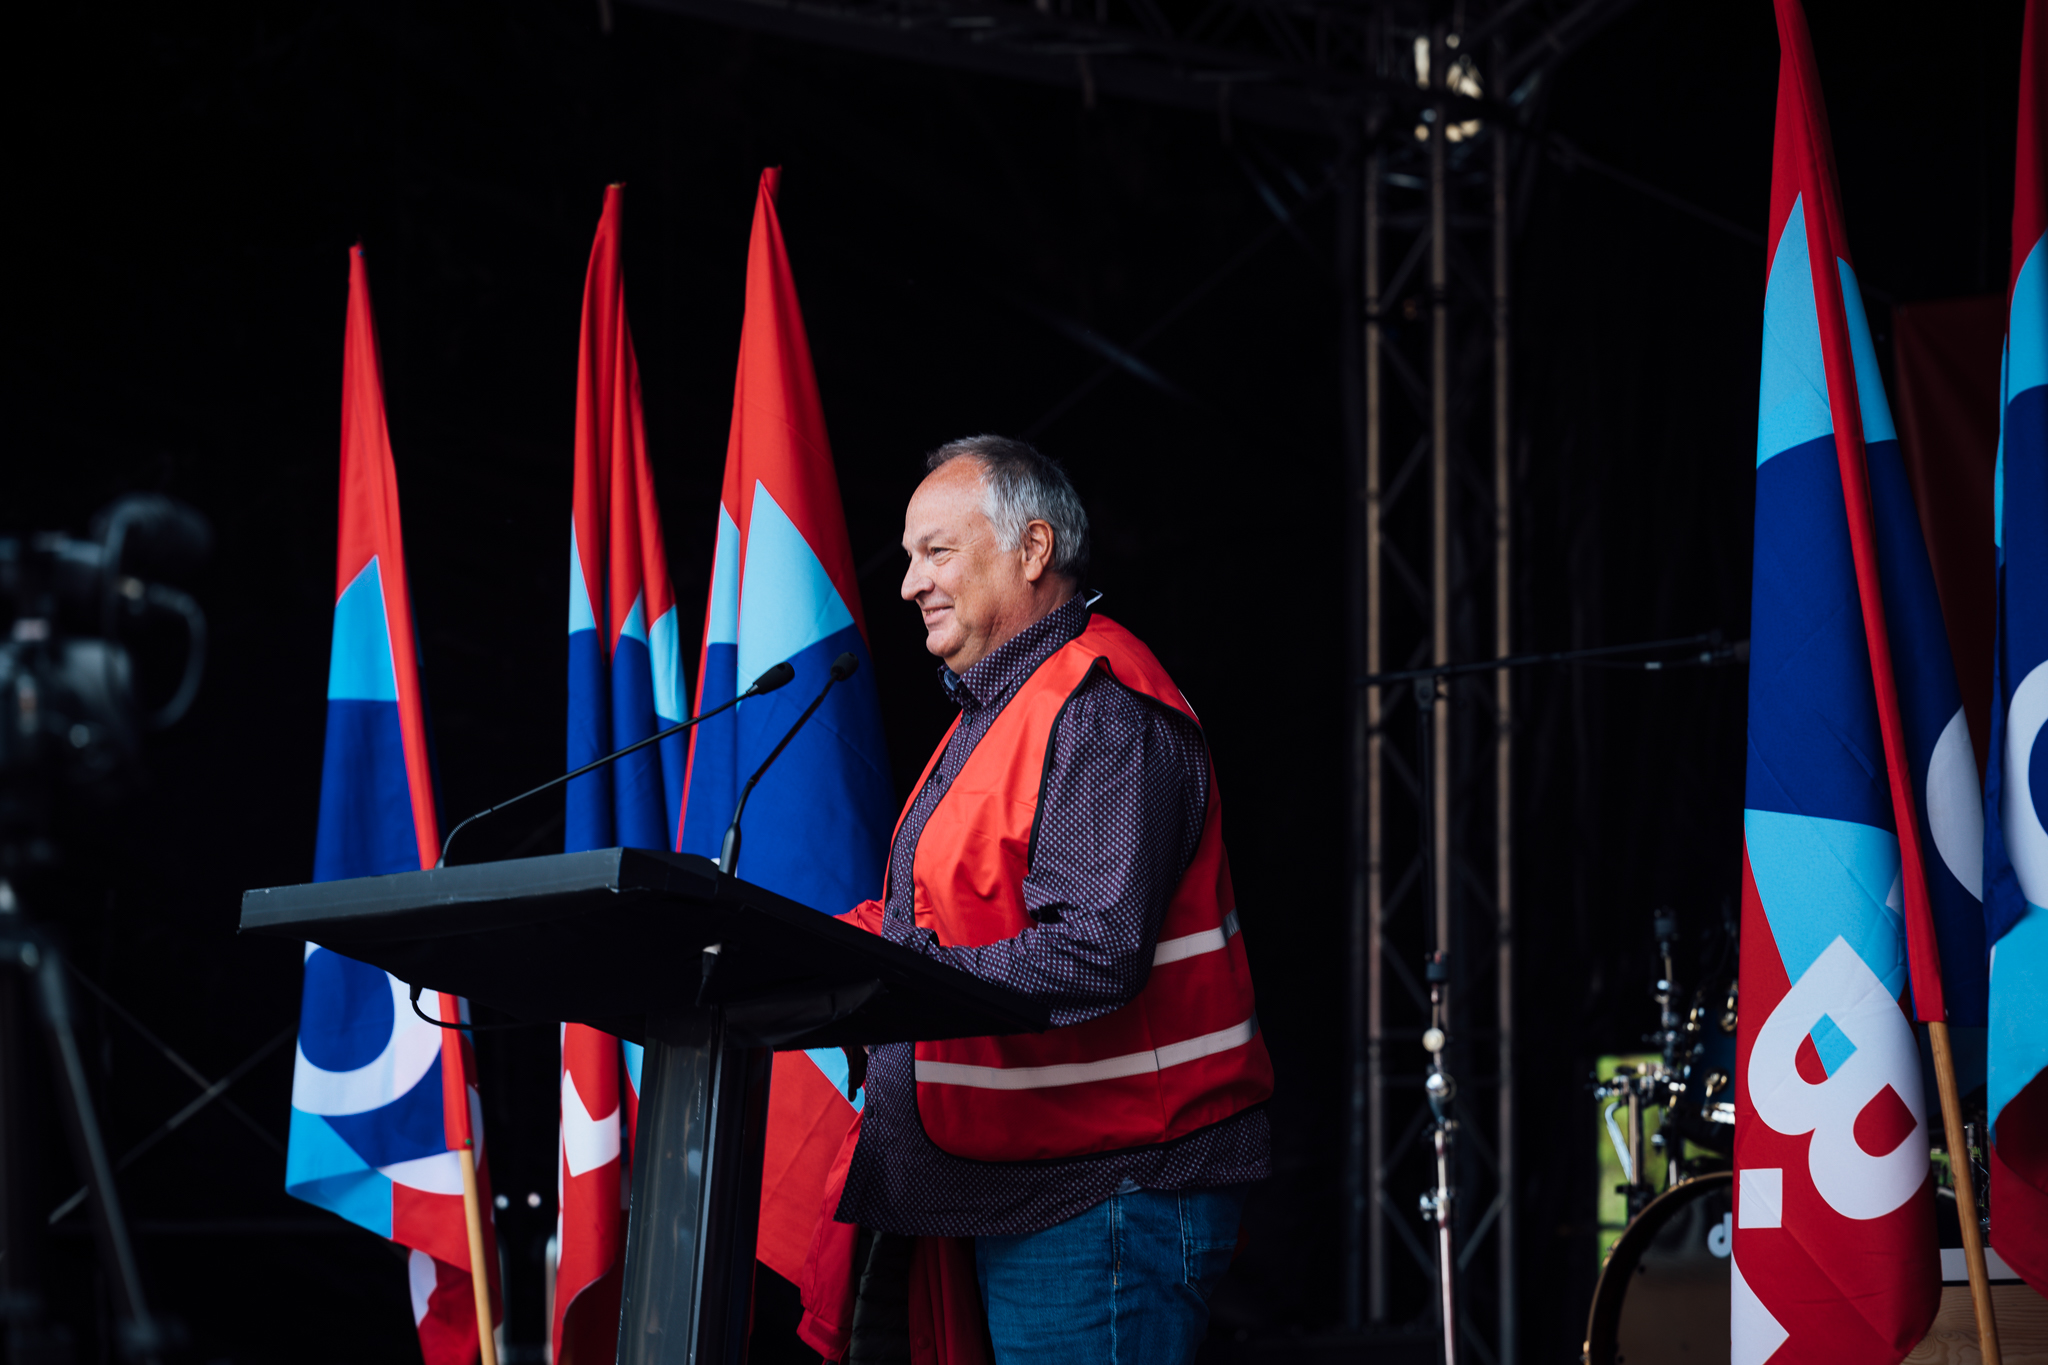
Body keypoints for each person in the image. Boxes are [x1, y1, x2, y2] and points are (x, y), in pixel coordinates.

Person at [832, 435, 1273, 1365]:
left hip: (1106, 1193)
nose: (909, 583)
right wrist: (821, 950)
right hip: (1026, 1183)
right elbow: (934, 918)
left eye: (936, 551)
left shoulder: (1098, 707)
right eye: (909, 556)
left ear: (1033, 549)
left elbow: (1094, 949)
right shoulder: (1002, 706)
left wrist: (894, 977)